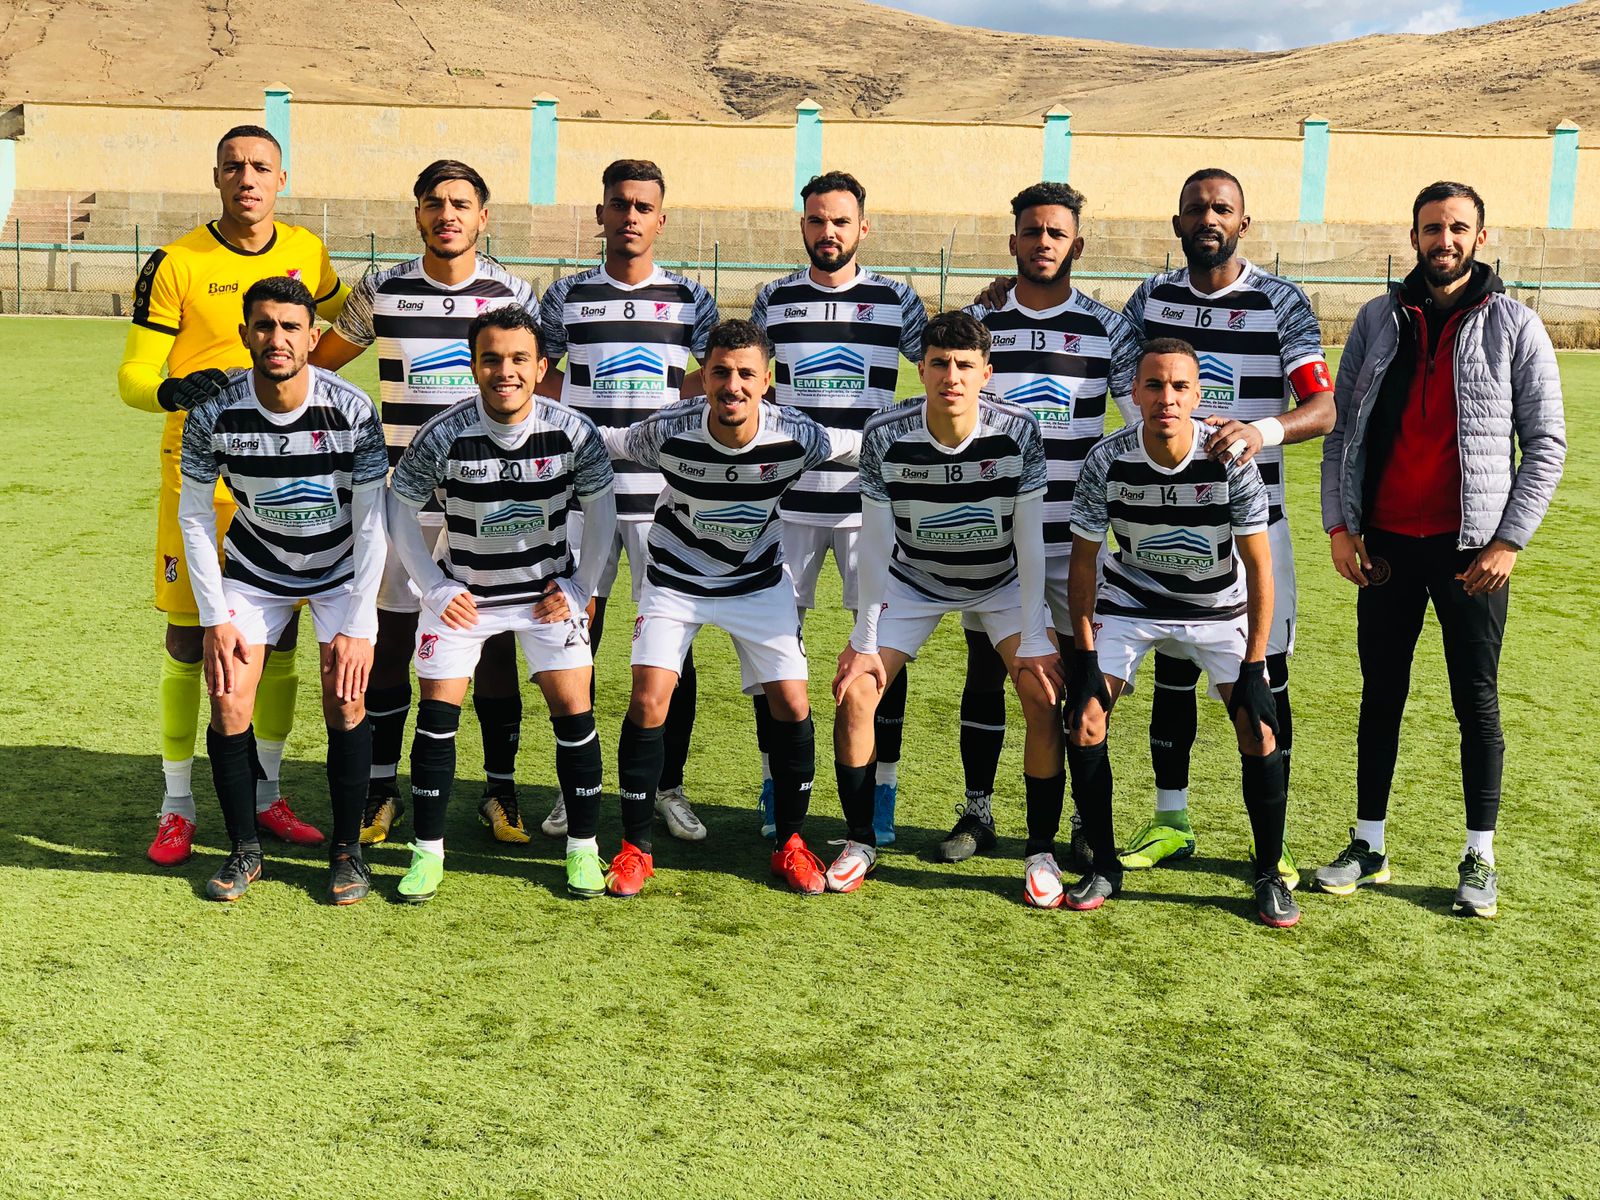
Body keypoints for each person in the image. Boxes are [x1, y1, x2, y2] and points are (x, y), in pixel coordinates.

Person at [1314, 181, 1566, 919]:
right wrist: (1340, 526)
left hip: (1471, 555)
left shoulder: (1516, 325)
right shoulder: (1377, 318)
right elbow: (1342, 431)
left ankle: (1479, 856)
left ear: (1480, 238)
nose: (1444, 240)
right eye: (1432, 228)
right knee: (1380, 696)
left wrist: (1509, 540)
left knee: (1476, 702)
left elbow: (1546, 444)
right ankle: (1368, 844)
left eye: (1458, 228)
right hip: (1387, 546)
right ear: (1414, 237)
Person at [117, 125, 348, 868]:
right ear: (216, 176)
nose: (247, 178)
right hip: (198, 474)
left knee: (277, 637)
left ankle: (267, 793)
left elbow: (347, 323)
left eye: (260, 167)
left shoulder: (307, 250)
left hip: (282, 472)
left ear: (282, 179)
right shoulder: (176, 262)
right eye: (234, 166)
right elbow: (133, 375)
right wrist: (173, 390)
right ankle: (176, 805)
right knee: (191, 639)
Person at [309, 159, 537, 846]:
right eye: (435, 203)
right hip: (401, 501)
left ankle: (499, 791)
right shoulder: (383, 288)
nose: (447, 215)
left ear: (483, 217)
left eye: (461, 203)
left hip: (486, 503)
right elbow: (318, 371)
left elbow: (533, 389)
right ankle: (382, 789)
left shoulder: (512, 293)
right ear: (417, 213)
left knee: (492, 643)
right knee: (390, 639)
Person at [1116, 168, 1332, 885]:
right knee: (1174, 668)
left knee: (1264, 676)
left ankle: (1276, 840)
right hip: (1165, 519)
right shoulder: (1152, 298)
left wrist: (1258, 431)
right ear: (1178, 222)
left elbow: (1323, 408)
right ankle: (1170, 820)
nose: (1208, 219)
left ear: (1243, 222)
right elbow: (1115, 368)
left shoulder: (1280, 301)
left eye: (1222, 209)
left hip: (1252, 525)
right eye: (1196, 209)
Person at [597, 320, 857, 897]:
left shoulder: (799, 435)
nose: (732, 385)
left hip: (757, 583)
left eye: (745, 374)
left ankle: (790, 842)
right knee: (649, 698)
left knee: (792, 702)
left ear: (767, 381)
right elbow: (603, 442)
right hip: (675, 581)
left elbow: (864, 445)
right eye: (720, 372)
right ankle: (634, 848)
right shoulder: (667, 430)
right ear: (703, 377)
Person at [831, 312, 1066, 905]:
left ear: (987, 372)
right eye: (939, 364)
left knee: (1042, 695)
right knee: (857, 693)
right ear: (922, 369)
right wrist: (864, 639)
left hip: (1001, 581)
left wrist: (1035, 636)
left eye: (965, 366)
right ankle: (860, 842)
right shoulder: (885, 432)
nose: (951, 377)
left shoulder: (1019, 430)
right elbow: (876, 543)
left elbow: (1030, 540)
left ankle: (1040, 852)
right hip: (914, 580)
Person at [385, 306, 617, 902]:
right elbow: (398, 507)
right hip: (464, 597)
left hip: (545, 597)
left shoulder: (573, 431)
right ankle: (427, 854)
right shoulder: (442, 433)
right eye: (491, 359)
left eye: (518, 360)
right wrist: (434, 587)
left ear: (540, 368)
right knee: (437, 718)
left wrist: (581, 586)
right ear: (473, 366)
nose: (504, 371)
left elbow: (602, 511)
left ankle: (583, 850)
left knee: (575, 713)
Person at [1062, 339, 1296, 927]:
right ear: (1135, 392)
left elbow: (1260, 568)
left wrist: (1255, 666)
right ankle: (1105, 866)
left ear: (1197, 396)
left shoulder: (1229, 459)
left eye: (1179, 387)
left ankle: (1268, 872)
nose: (1166, 398)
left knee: (1259, 728)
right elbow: (1084, 564)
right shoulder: (1106, 459)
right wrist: (1085, 659)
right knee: (1085, 718)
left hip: (1217, 607)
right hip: (1132, 600)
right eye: (1154, 385)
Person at [177, 276, 388, 904]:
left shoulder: (352, 410)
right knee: (226, 699)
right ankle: (245, 849)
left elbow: (372, 523)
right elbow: (195, 516)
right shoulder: (213, 414)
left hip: (340, 570)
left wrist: (359, 625)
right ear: (244, 334)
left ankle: (347, 853)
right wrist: (214, 619)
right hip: (256, 568)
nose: (278, 338)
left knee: (346, 699)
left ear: (313, 337)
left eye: (291, 326)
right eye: (264, 325)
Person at [949, 181, 1140, 866]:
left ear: (1077, 245)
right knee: (986, 672)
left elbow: (1139, 424)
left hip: (1073, 543)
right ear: (1013, 241)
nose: (1043, 242)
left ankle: (1084, 822)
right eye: (1032, 231)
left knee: (1083, 677)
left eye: (1056, 233)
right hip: (995, 539)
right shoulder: (978, 321)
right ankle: (977, 812)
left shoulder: (1109, 328)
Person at [537, 159, 719, 843]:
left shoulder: (690, 298)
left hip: (663, 499)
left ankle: (667, 785)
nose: (631, 216)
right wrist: (582, 419)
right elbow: (539, 371)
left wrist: (667, 410)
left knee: (671, 642)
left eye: (643, 206)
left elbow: (713, 375)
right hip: (581, 497)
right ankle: (572, 785)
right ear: (602, 214)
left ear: (661, 220)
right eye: (620, 204)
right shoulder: (567, 296)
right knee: (573, 635)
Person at [749, 170, 927, 845]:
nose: (829, 232)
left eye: (841, 221)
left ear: (863, 228)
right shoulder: (774, 299)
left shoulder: (896, 300)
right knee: (773, 648)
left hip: (869, 507)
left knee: (881, 650)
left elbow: (944, 364)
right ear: (803, 226)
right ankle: (776, 781)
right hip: (787, 504)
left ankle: (881, 791)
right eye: (818, 221)